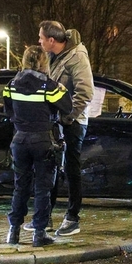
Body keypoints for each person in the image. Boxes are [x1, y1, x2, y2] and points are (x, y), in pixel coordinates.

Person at [3, 45, 72, 247]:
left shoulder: (12, 84)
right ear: (44, 62)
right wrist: (63, 89)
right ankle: (39, 234)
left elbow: (8, 111)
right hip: (42, 140)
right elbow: (67, 108)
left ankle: (13, 232)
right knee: (42, 188)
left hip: (19, 140)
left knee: (20, 187)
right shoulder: (48, 86)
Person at [37, 20, 93, 237]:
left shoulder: (77, 56)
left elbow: (86, 92)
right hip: (58, 121)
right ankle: (46, 218)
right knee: (52, 167)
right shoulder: (54, 56)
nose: (39, 41)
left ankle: (72, 218)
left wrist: (67, 117)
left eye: (41, 37)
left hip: (73, 122)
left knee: (71, 169)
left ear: (52, 40)